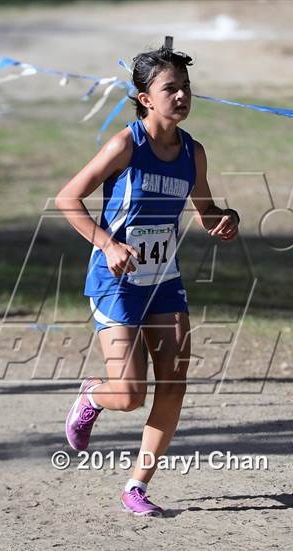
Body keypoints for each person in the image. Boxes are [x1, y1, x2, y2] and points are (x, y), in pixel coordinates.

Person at [55, 46, 239, 517]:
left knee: (174, 384)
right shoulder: (125, 144)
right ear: (145, 98)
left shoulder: (192, 152)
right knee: (131, 394)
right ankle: (93, 394)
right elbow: (67, 198)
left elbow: (205, 210)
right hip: (115, 282)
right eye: (169, 88)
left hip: (165, 280)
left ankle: (137, 485)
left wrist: (225, 218)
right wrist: (107, 244)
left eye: (185, 87)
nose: (180, 96)